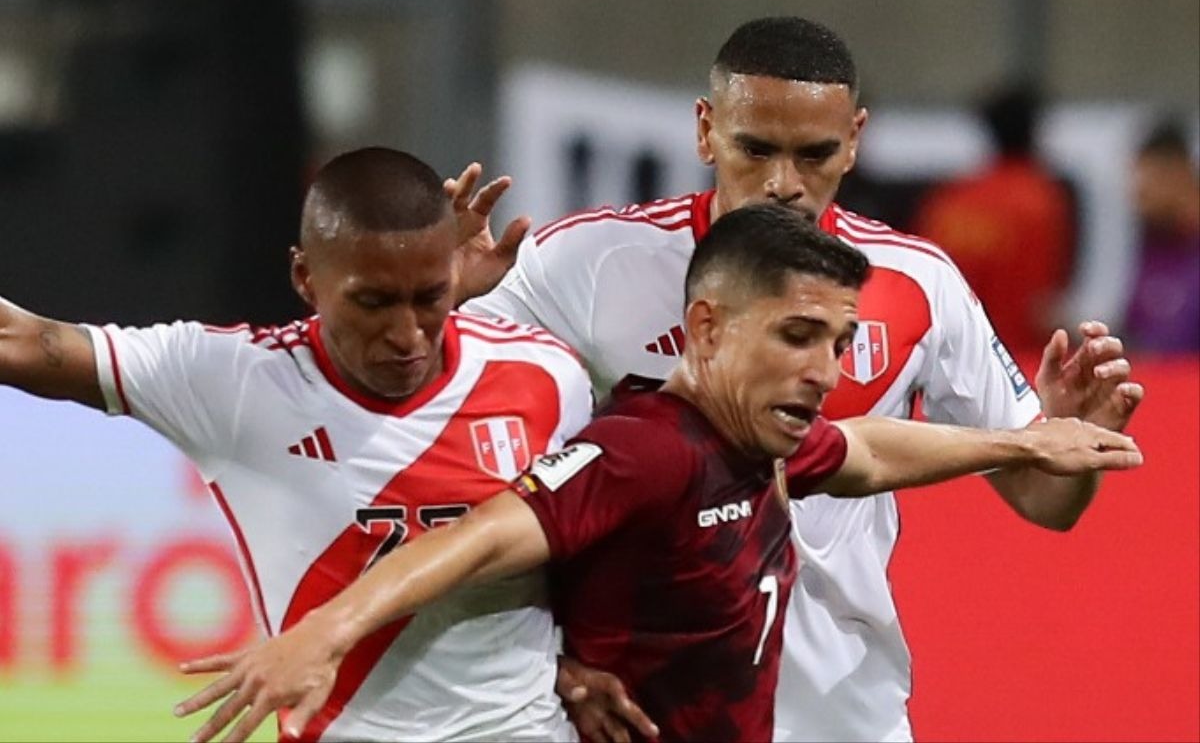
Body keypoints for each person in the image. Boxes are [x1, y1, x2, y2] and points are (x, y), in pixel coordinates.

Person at [172, 205, 1142, 743]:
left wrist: (1024, 441)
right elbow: (474, 538)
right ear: (709, 328)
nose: (826, 369)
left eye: (840, 340)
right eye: (799, 335)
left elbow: (872, 448)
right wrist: (323, 631)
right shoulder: (641, 448)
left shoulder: (754, 433)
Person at [454, 17, 1144, 742]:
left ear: (854, 140)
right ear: (705, 129)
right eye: (755, 149)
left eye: (814, 154)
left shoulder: (919, 284)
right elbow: (459, 449)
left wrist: (1076, 439)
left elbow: (1046, 501)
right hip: (638, 715)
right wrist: (449, 302)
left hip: (847, 714)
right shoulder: (586, 264)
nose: (783, 184)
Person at [0, 147, 597, 742]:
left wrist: (590, 659)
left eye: (429, 297)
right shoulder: (236, 380)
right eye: (374, 302)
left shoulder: (546, 375)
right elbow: (33, 343)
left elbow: (612, 532)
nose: (406, 334)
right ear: (306, 278)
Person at [910, 82, 1076, 354]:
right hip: (1022, 361)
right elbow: (1041, 303)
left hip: (951, 358)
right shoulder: (1042, 200)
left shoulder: (947, 201)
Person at [1122, 119, 1200, 352]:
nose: (1135, 199)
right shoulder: (1151, 242)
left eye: (1146, 190)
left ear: (1177, 174)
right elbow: (1136, 329)